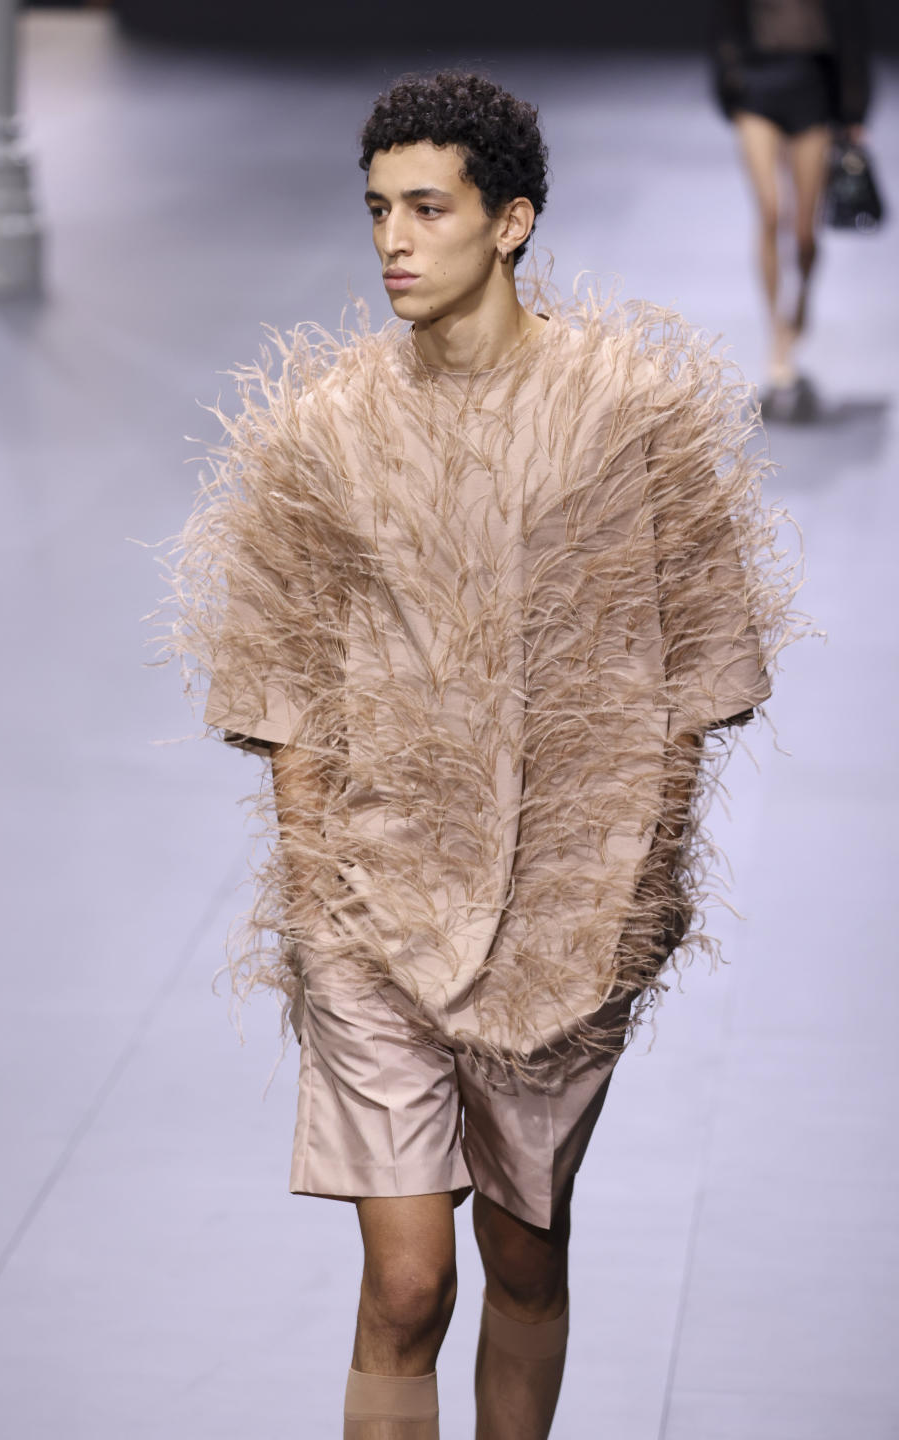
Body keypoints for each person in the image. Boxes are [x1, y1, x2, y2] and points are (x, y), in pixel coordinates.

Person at [169, 70, 798, 1440]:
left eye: (429, 208)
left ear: (511, 221)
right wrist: (318, 883)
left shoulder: (633, 412)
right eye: (379, 210)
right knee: (406, 1283)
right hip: (371, 901)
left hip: (570, 909)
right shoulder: (322, 428)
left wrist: (634, 891)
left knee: (524, 1252)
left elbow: (700, 664)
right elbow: (278, 680)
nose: (395, 240)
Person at [712, 0, 871, 415]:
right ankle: (777, 334)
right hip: (757, 84)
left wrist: (854, 108)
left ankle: (801, 299)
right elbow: (725, 19)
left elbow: (852, 28)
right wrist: (728, 82)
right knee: (769, 211)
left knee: (804, 234)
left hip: (813, 89)